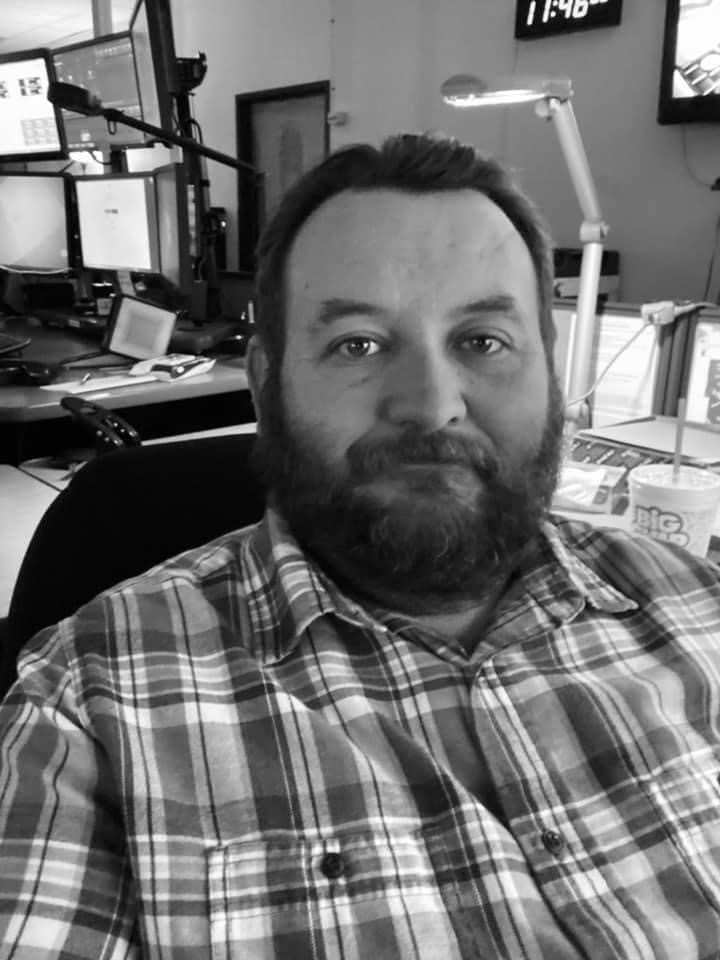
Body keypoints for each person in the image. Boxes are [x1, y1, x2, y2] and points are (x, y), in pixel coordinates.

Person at [1, 132, 719, 960]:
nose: (430, 404)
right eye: (359, 345)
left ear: (552, 372)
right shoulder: (88, 704)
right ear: (268, 382)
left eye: (483, 340)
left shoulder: (698, 605)